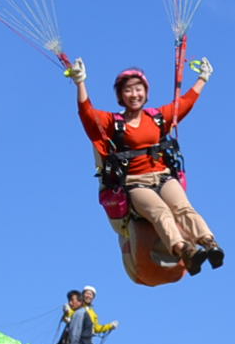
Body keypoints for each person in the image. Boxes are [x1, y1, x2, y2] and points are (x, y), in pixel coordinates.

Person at [68, 56, 224, 273]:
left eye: (138, 89)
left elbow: (184, 104)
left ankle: (209, 243)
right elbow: (87, 115)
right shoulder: (113, 122)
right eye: (128, 90)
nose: (134, 94)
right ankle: (184, 250)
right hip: (135, 184)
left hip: (163, 176)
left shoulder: (157, 118)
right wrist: (80, 83)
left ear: (146, 92)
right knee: (160, 212)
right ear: (121, 96)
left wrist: (202, 79)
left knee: (183, 207)